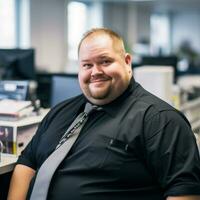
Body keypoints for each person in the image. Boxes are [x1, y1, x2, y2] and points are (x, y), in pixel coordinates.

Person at [8, 28, 200, 200]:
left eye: (105, 61)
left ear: (127, 62)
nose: (95, 72)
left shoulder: (161, 120)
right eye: (87, 65)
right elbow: (28, 162)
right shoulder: (59, 111)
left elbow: (183, 191)